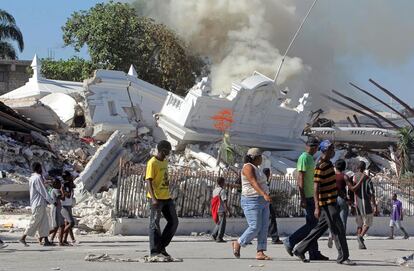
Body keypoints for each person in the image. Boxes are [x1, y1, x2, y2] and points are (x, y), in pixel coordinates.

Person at [293, 140, 355, 265]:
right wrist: (317, 206)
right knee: (338, 228)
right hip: (327, 203)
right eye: (331, 149)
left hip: (331, 201)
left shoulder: (328, 163)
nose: (333, 151)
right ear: (325, 150)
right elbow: (316, 186)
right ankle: (343, 256)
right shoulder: (321, 165)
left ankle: (300, 249)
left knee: (319, 229)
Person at [284, 137, 328, 261]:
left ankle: (314, 252)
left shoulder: (309, 159)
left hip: (311, 196)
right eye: (316, 148)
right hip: (308, 197)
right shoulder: (304, 158)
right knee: (313, 226)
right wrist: (302, 197)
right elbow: (300, 178)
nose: (316, 151)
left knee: (314, 226)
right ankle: (290, 240)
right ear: (313, 147)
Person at [232, 148, 272, 260]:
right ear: (255, 157)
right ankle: (238, 242)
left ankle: (260, 252)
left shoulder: (257, 168)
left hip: (262, 201)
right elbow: (253, 182)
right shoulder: (248, 167)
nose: (261, 159)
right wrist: (264, 194)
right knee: (255, 226)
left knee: (264, 227)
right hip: (251, 200)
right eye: (260, 157)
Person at [146, 140, 178, 258]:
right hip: (157, 198)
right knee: (154, 223)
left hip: (166, 197)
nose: (168, 153)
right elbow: (148, 181)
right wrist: (153, 198)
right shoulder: (152, 163)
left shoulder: (164, 162)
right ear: (162, 150)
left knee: (174, 222)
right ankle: (154, 251)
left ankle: (161, 246)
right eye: (167, 151)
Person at [20, 162, 54, 247]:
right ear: (39, 168)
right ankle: (23, 237)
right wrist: (52, 201)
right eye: (41, 168)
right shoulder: (37, 178)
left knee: (44, 222)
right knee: (35, 221)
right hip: (38, 203)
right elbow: (42, 191)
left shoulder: (33, 178)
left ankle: (46, 240)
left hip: (39, 203)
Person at [351, 161, 377, 250]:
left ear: (357, 168)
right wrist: (374, 205)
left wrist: (351, 204)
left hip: (356, 204)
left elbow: (350, 191)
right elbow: (372, 193)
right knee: (367, 223)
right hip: (365, 204)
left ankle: (360, 243)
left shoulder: (353, 177)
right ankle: (361, 236)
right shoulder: (367, 178)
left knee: (359, 224)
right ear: (364, 168)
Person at [327, 159, 350, 248]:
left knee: (332, 219)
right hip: (342, 198)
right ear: (344, 167)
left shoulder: (331, 176)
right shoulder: (344, 176)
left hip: (332, 198)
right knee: (343, 220)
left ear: (335, 166)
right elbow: (350, 188)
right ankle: (341, 239)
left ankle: (330, 234)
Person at [263, 168, 282, 244]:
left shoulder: (264, 180)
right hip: (266, 203)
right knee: (272, 219)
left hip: (264, 202)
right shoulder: (264, 181)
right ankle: (275, 238)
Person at [211, 177, 230, 243]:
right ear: (222, 182)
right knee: (222, 224)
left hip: (216, 209)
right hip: (221, 209)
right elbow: (224, 201)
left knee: (219, 222)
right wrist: (227, 209)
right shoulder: (222, 191)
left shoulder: (215, 190)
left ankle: (214, 234)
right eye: (224, 182)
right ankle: (219, 237)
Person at [61, 171, 76, 245]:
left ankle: (64, 240)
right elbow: (68, 196)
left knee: (67, 223)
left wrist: (71, 184)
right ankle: (60, 235)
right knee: (71, 223)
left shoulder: (69, 185)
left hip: (69, 205)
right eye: (70, 176)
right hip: (64, 206)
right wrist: (69, 188)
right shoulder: (64, 185)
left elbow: (74, 186)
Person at [48, 178, 65, 245]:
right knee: (56, 227)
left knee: (61, 225)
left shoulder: (53, 190)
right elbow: (62, 198)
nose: (60, 184)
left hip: (58, 209)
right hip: (55, 210)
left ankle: (56, 240)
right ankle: (43, 236)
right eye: (59, 183)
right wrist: (62, 191)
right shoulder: (56, 190)